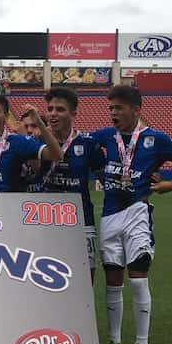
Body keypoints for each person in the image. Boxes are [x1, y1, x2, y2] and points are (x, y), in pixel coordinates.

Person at [92, 85, 172, 344]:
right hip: (109, 215)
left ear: (136, 109)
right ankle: (114, 343)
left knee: (137, 279)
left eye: (118, 108)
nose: (113, 114)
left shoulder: (155, 138)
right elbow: (76, 142)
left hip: (137, 212)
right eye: (110, 108)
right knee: (112, 281)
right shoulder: (105, 136)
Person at [38, 87, 106, 283]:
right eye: (50, 109)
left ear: (74, 113)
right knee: (45, 279)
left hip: (81, 221)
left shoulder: (88, 143)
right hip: (45, 220)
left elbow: (106, 181)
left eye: (60, 109)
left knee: (86, 280)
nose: (53, 114)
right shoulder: (36, 140)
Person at [0, 95, 63, 192]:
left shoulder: (18, 141)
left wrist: (39, 123)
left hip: (8, 204)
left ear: (6, 117)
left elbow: (56, 155)